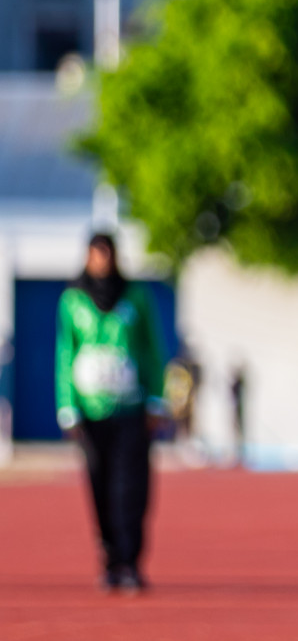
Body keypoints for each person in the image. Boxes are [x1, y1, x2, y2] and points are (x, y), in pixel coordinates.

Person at [55, 233, 168, 592]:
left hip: (131, 407)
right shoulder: (73, 301)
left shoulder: (136, 297)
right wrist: (66, 406)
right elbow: (65, 353)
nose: (102, 259)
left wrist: (156, 399)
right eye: (95, 253)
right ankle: (110, 559)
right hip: (92, 410)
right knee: (100, 484)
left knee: (131, 487)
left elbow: (152, 348)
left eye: (107, 252)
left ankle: (132, 560)